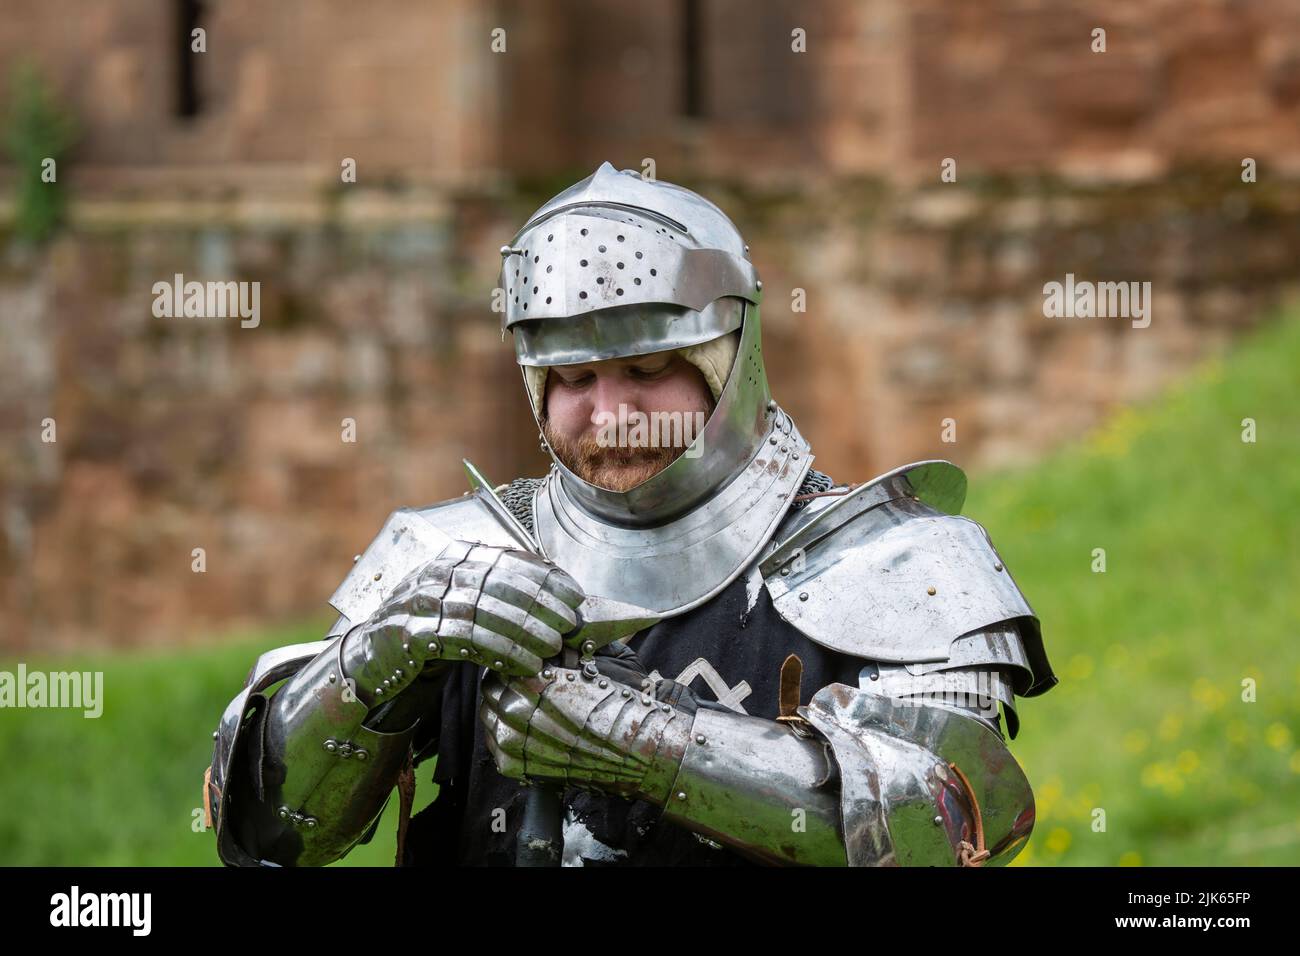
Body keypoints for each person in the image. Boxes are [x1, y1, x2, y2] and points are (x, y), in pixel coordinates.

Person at [205, 162, 1058, 867]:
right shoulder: (462, 560)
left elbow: (947, 828)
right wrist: (381, 656)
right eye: (574, 381)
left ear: (728, 360)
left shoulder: (897, 560)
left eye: (647, 369)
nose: (610, 414)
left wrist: (640, 742)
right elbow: (269, 833)